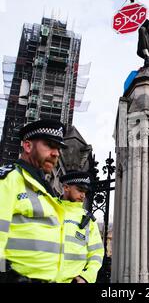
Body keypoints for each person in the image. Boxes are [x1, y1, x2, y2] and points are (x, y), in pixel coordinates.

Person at [0, 119, 67, 283]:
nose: (56, 153)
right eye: (50, 145)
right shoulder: (8, 179)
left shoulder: (45, 188)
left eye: (58, 148)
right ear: (28, 146)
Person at [56, 171, 104, 283]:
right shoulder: (49, 208)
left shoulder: (88, 220)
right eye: (80, 190)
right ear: (66, 187)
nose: (83, 195)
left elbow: (96, 253)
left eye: (85, 192)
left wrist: (86, 277)